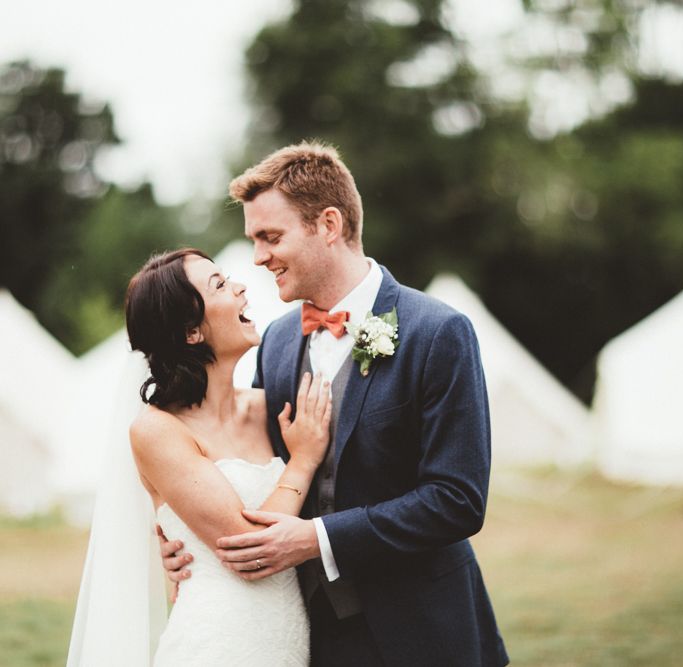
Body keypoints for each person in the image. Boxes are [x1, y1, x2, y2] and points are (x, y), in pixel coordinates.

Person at [162, 142, 509, 666]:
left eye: (270, 237)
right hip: (308, 637)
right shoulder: (275, 342)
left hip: (424, 632)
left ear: (328, 224)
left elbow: (457, 499)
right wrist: (178, 536)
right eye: (254, 240)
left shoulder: (438, 332)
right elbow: (238, 462)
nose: (258, 257)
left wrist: (317, 538)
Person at [72, 247, 333, 667]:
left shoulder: (270, 408)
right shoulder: (157, 431)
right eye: (221, 285)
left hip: (289, 641)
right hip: (217, 644)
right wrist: (303, 459)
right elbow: (249, 550)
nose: (242, 286)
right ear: (192, 332)